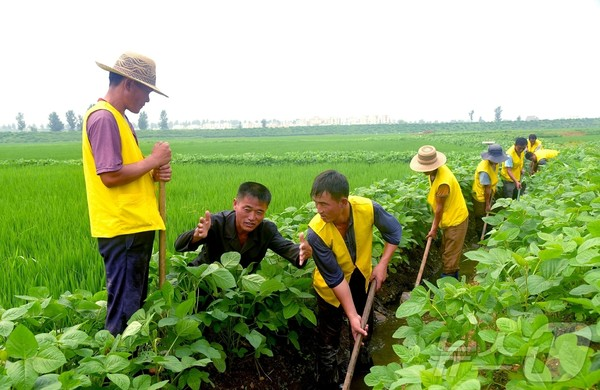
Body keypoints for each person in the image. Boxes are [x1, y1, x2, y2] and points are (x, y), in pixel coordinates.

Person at [82, 52, 172, 335]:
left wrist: (151, 173)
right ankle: (117, 370)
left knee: (133, 306)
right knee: (124, 312)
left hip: (133, 226)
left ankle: (131, 367)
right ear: (129, 85)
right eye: (146, 91)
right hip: (123, 229)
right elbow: (110, 175)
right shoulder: (104, 118)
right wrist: (153, 160)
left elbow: (123, 170)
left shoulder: (119, 119)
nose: (147, 100)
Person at [306, 170, 402, 389]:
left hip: (360, 278)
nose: (318, 210)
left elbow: (394, 232)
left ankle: (362, 372)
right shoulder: (316, 233)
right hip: (330, 289)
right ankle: (328, 380)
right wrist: (351, 315)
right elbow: (335, 278)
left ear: (342, 202)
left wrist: (383, 263)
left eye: (324, 204)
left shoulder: (368, 209)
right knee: (328, 338)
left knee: (363, 327)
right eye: (316, 203)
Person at [174, 181, 312, 269]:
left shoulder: (266, 230)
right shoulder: (216, 223)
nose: (252, 218)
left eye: (259, 212)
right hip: (204, 283)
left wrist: (303, 253)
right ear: (235, 204)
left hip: (238, 286)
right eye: (247, 210)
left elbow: (287, 249)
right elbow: (178, 245)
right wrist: (196, 236)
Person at [410, 145, 468, 280]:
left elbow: (439, 208)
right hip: (448, 218)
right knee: (446, 252)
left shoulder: (443, 182)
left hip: (456, 220)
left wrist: (433, 229)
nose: (423, 171)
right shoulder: (435, 172)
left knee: (450, 259)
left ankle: (448, 291)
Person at [472, 143, 508, 238]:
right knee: (482, 217)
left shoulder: (494, 163)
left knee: (489, 215)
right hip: (481, 196)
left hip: (489, 192)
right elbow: (486, 189)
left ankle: (488, 233)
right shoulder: (484, 171)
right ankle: (481, 237)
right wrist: (487, 204)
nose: (498, 162)